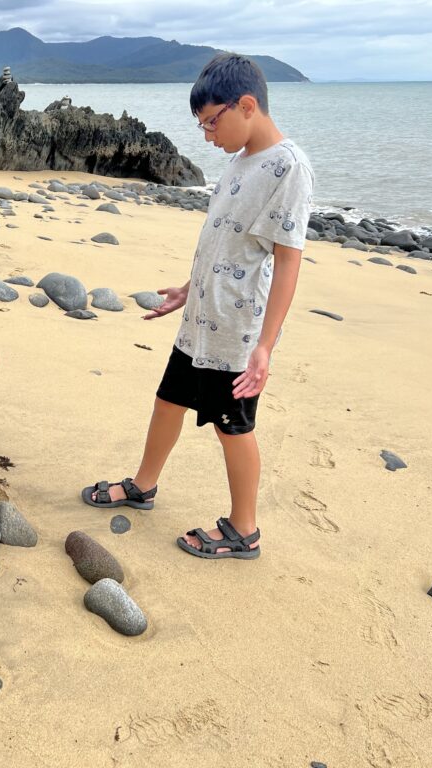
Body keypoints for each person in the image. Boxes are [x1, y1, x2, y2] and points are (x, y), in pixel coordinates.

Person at [81, 53, 314, 560]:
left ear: (246, 106)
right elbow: (226, 241)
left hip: (236, 333)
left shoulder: (288, 168)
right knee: (169, 399)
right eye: (202, 125)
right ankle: (143, 485)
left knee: (233, 426)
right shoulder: (240, 159)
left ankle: (244, 529)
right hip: (201, 320)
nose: (207, 135)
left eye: (212, 122)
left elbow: (288, 263)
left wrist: (265, 348)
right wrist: (191, 287)